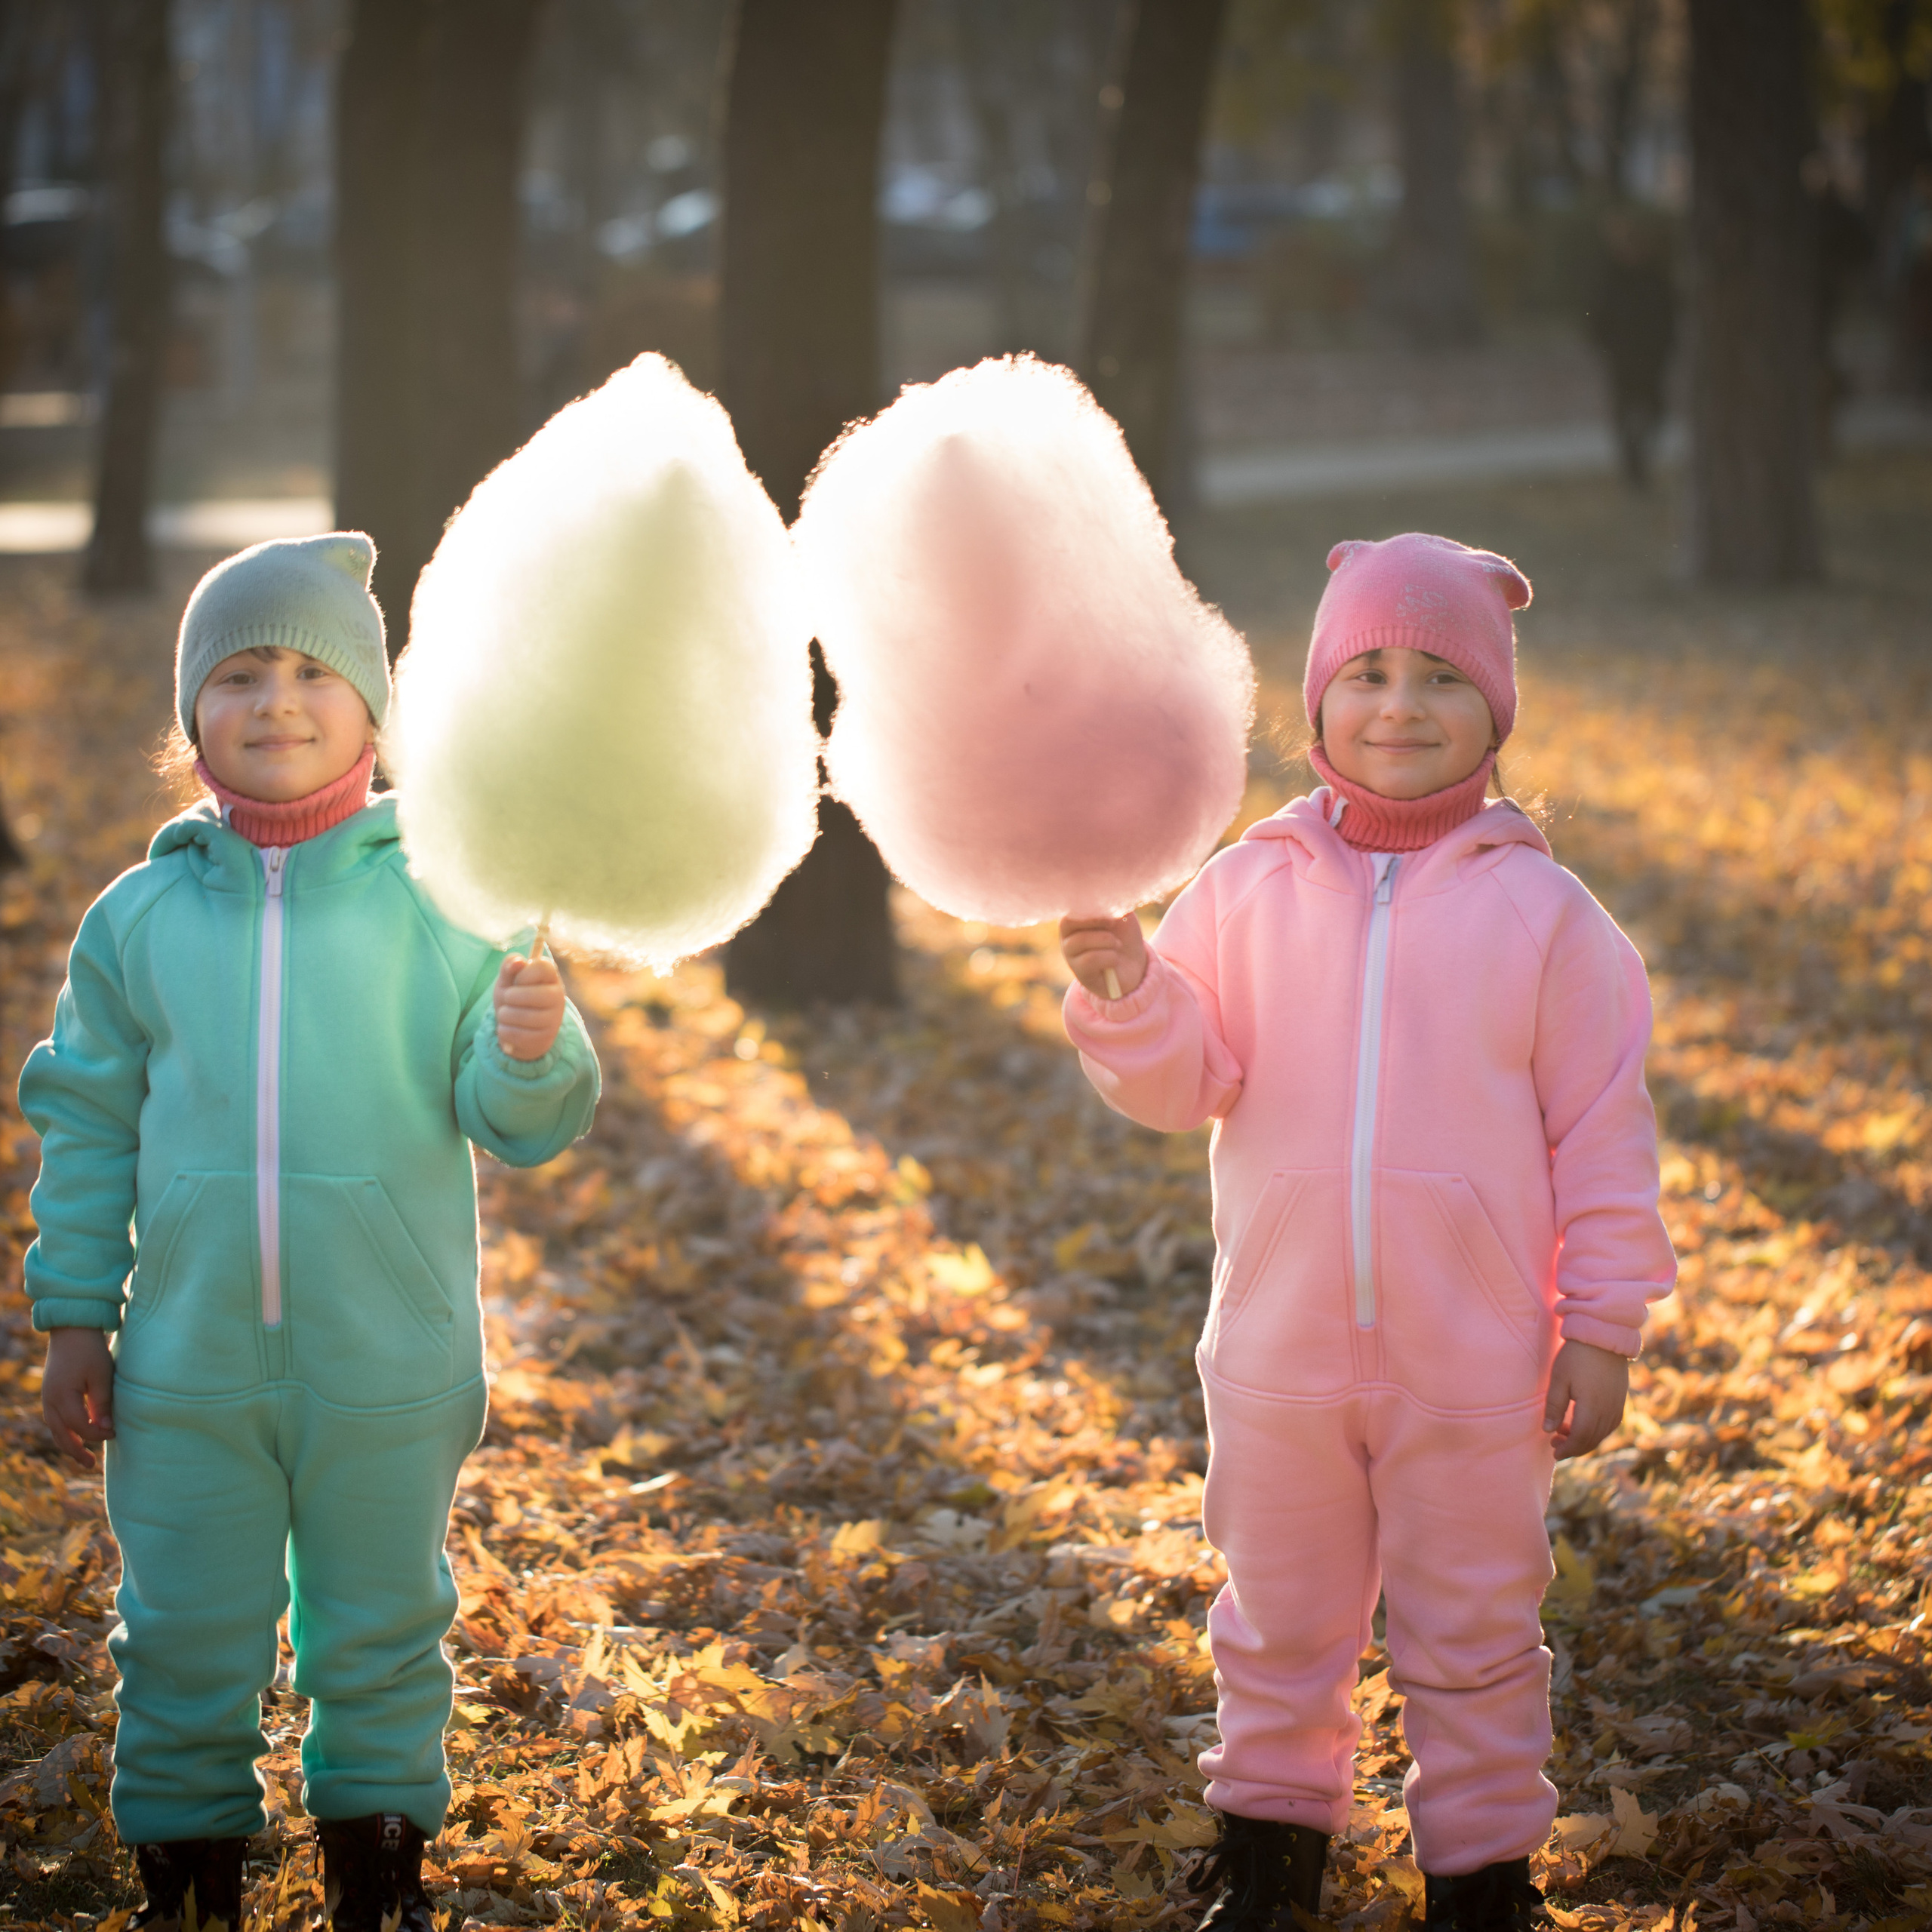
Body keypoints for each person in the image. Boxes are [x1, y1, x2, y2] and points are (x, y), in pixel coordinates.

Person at [1058, 534, 1674, 1932]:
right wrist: (1123, 992)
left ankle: (1480, 1876)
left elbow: (1603, 1140)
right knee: (1278, 1622)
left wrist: (1604, 1327)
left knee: (1473, 1632)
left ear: (1496, 710)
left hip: (1475, 1367)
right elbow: (1184, 1081)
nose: (1402, 706)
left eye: (1443, 676)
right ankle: (1271, 1860)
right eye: (1372, 673)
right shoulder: (1247, 887)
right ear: (1321, 698)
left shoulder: (1549, 919)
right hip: (1277, 1356)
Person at [20, 533, 601, 1932]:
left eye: (307, 671)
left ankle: (377, 1865)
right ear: (192, 716)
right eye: (236, 675)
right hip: (188, 1358)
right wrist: (74, 1317)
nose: (273, 701)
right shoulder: (140, 917)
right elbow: (88, 1124)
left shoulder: (449, 902)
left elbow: (517, 1117)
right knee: (179, 1635)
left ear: (371, 709)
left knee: (381, 1623)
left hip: (387, 1356)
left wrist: (530, 1049)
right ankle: (190, 1875)